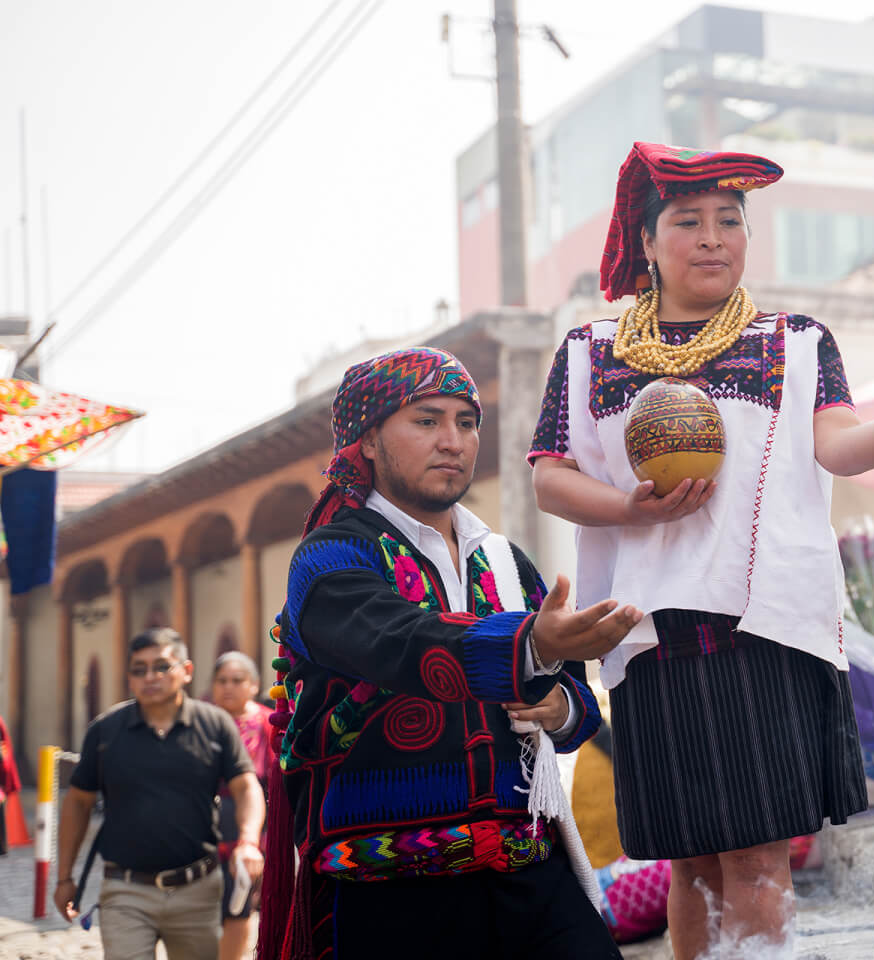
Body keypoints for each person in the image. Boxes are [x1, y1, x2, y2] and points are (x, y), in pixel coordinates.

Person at [529, 141, 874, 959]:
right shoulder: (589, 352)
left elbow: (841, 447)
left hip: (765, 628)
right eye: (688, 221)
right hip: (649, 635)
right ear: (647, 241)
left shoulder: (798, 341)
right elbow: (551, 479)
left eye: (730, 220)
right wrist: (627, 507)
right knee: (690, 864)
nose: (713, 237)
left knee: (755, 859)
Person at [258, 347, 640, 960]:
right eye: (426, 420)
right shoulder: (330, 557)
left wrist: (560, 708)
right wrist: (531, 645)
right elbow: (397, 642)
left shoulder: (505, 561)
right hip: (390, 885)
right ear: (368, 440)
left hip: (526, 868)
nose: (453, 441)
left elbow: (573, 702)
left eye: (466, 422)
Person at [54, 628, 266, 960]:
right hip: (125, 890)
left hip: (198, 890)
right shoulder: (105, 731)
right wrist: (64, 876)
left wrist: (249, 840)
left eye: (162, 667)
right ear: (129, 677)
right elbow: (79, 802)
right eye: (139, 669)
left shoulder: (214, 725)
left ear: (186, 670)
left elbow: (246, 787)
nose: (150, 677)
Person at [210, 652, 273, 960]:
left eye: (237, 680)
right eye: (222, 680)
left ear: (254, 685)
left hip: (252, 823)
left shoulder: (268, 723)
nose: (228, 687)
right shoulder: (202, 721)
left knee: (239, 902)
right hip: (206, 824)